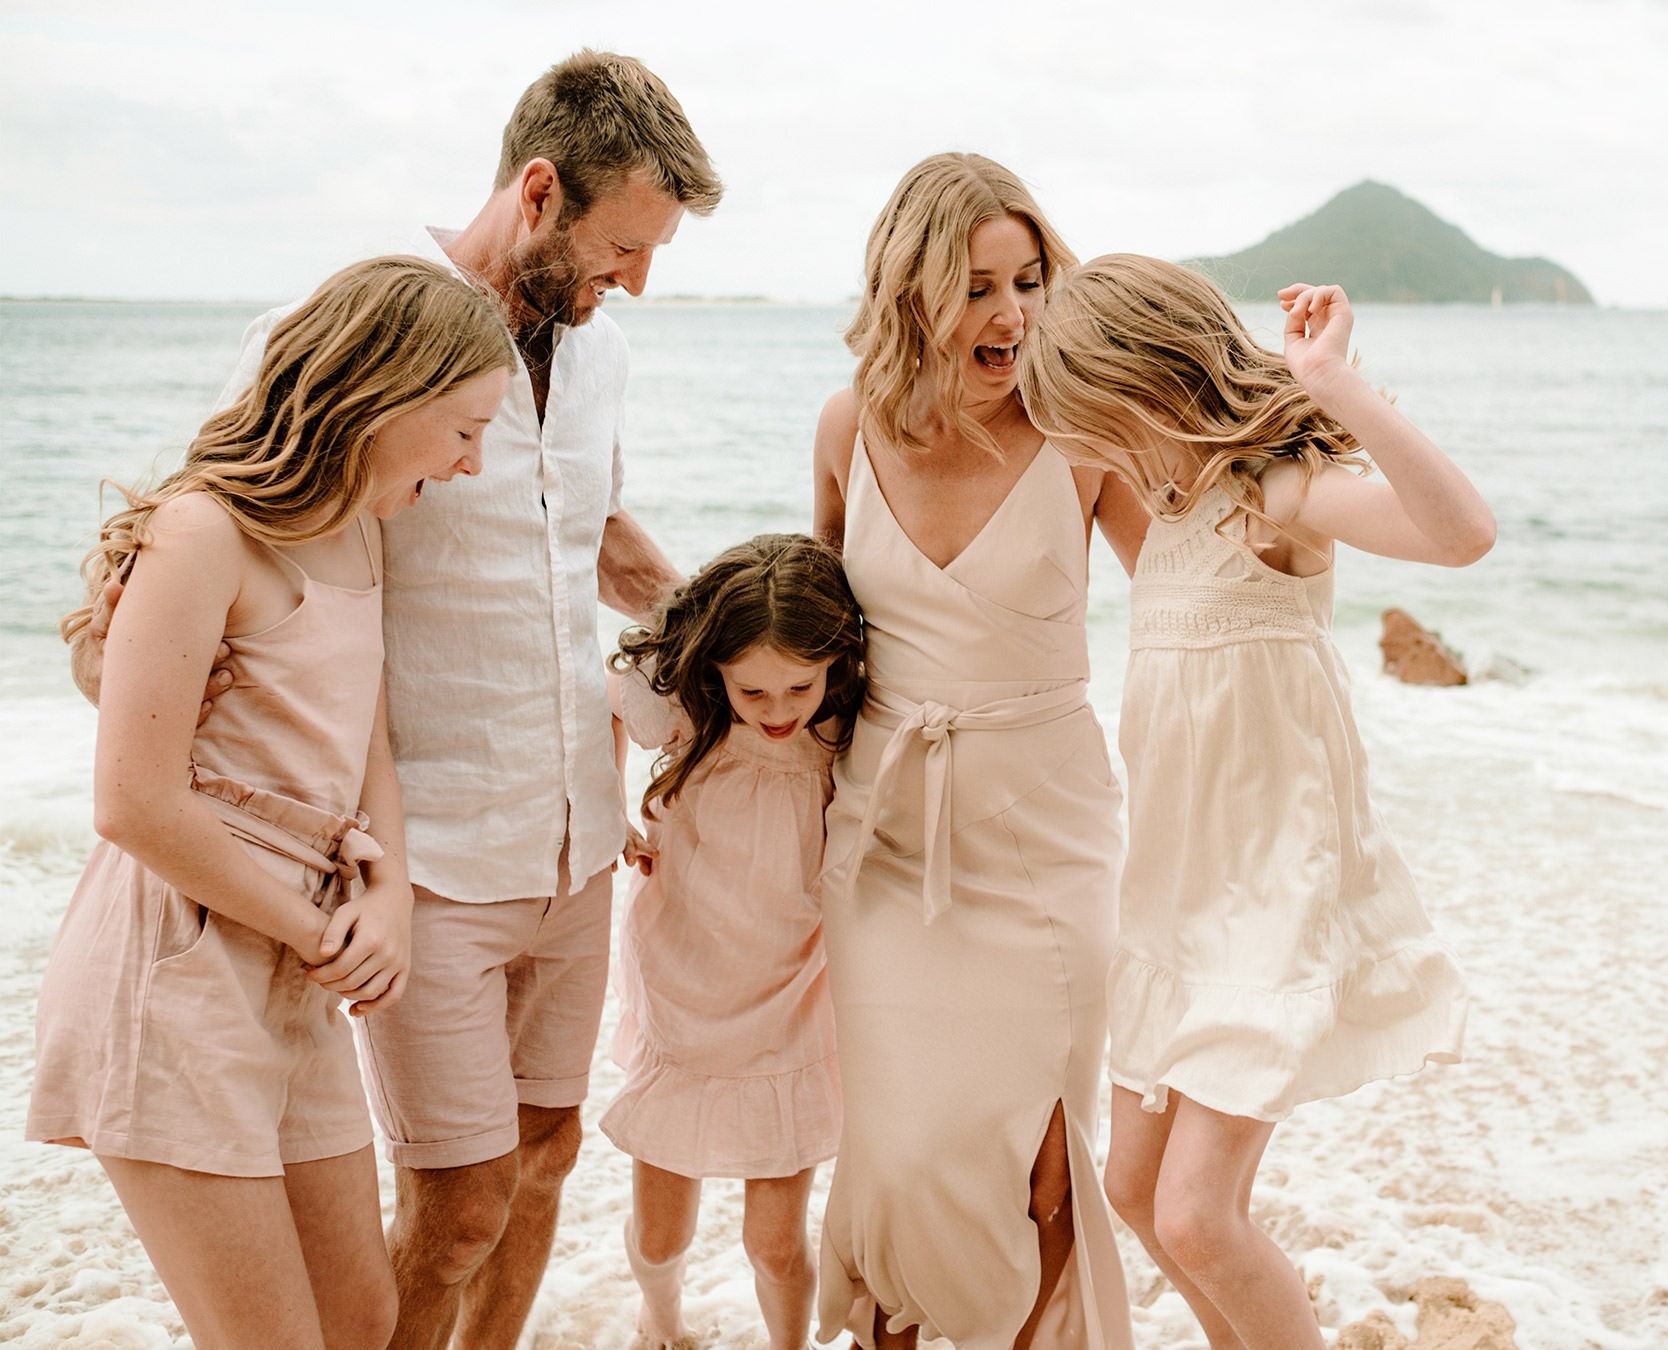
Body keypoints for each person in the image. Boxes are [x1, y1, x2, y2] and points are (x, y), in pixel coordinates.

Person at [69, 49, 723, 1349]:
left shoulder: (599, 358)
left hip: (578, 836)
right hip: (419, 852)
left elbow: (592, 540)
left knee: (543, 1152)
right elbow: (241, 534)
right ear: (539, 189)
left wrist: (758, 646)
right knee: (460, 1191)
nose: (637, 282)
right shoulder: (350, 337)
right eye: (621, 245)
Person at [29, 256, 512, 1350]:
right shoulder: (203, 533)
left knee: (361, 1318)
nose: (473, 465)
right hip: (180, 966)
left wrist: (384, 899)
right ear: (383, 396)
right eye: (463, 429)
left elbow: (366, 737)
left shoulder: (361, 528)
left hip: (297, 969)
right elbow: (131, 802)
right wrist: (317, 932)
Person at [1017, 255, 1490, 1350]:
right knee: (1137, 1198)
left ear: (1143, 384)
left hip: (1273, 896)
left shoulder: (1272, 494)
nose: (1081, 445)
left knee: (1194, 1213)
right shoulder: (1167, 514)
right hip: (1177, 903)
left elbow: (1461, 535)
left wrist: (1334, 385)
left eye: (1089, 414)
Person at [810, 153, 1150, 1350]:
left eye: (1029, 279)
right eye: (976, 287)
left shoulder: (1086, 433)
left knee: (1045, 1167)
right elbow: (811, 645)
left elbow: (1189, 612)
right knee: (898, 1160)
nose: (1011, 314)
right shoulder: (847, 425)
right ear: (911, 295)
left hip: (1051, 838)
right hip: (884, 842)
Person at [602, 533, 864, 1350]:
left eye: (799, 685)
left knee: (779, 1246)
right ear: (715, 668)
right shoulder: (687, 704)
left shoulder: (841, 726)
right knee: (659, 1234)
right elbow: (603, 699)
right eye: (753, 690)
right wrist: (610, 804)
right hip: (684, 976)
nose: (779, 709)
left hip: (791, 992)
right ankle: (663, 1324)